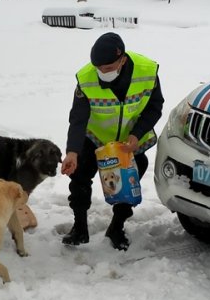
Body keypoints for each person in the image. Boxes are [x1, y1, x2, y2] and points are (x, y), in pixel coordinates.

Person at [60, 32, 164, 250]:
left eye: (107, 68)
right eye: (98, 68)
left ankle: (117, 227)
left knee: (127, 185)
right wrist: (72, 151)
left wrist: (136, 134)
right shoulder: (86, 79)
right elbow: (78, 118)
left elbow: (155, 107)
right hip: (95, 137)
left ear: (122, 60)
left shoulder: (147, 72)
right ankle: (79, 227)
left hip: (130, 141)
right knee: (78, 176)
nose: (102, 73)